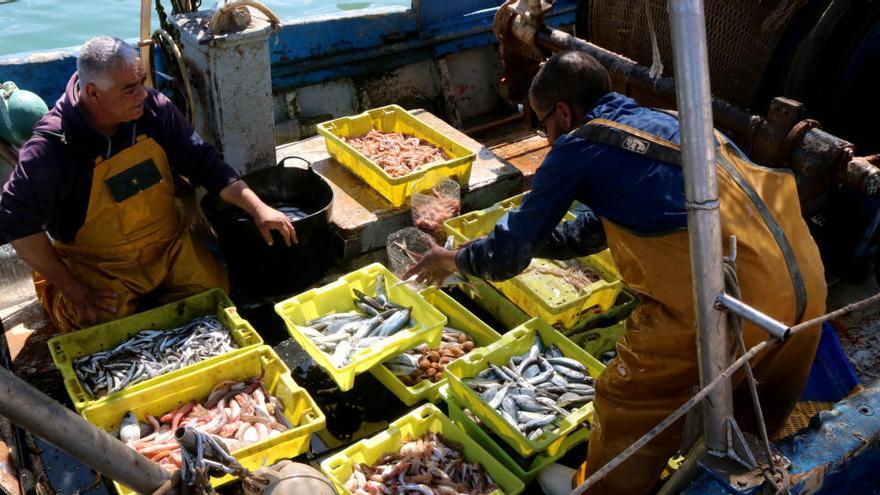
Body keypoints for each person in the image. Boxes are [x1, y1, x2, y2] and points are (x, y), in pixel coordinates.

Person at [405, 50, 827, 494]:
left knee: (626, 399)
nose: (545, 136)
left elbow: (508, 256)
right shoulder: (667, 121)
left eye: (540, 124)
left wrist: (451, 260)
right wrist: (498, 245)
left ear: (563, 113)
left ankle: (602, 488)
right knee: (751, 408)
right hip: (804, 276)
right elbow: (589, 233)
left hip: (736, 294)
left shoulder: (579, 145)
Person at [0, 36, 297, 333]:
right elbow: (16, 221)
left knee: (214, 295)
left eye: (142, 80)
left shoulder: (154, 110)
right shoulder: (51, 149)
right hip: (102, 264)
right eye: (129, 88)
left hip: (168, 246)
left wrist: (258, 208)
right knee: (100, 324)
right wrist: (75, 290)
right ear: (92, 93)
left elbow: (204, 163)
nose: (142, 93)